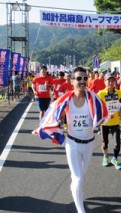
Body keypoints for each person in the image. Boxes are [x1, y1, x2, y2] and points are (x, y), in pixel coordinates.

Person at [33, 66, 108, 213]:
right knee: (78, 178)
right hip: (72, 143)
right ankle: (81, 210)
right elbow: (54, 114)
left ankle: (75, 189)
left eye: (85, 78)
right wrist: (55, 129)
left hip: (89, 144)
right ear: (72, 81)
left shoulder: (94, 99)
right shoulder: (65, 100)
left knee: (80, 178)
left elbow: (102, 115)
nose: (82, 81)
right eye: (79, 78)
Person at [98, 73, 121, 170]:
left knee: (118, 143)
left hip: (116, 122)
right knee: (105, 143)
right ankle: (105, 157)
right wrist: (107, 115)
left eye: (113, 81)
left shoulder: (118, 92)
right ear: (105, 82)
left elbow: (120, 104)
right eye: (109, 81)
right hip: (105, 122)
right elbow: (98, 108)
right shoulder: (101, 94)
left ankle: (115, 158)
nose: (111, 83)